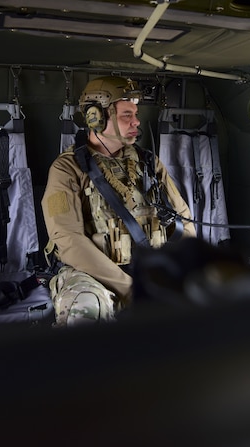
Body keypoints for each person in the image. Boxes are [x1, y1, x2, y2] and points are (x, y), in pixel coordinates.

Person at [41, 76, 196, 326]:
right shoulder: (67, 169)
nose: (137, 122)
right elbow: (68, 239)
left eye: (136, 114)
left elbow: (185, 221)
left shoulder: (150, 163)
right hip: (94, 274)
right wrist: (131, 289)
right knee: (85, 306)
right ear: (95, 117)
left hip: (151, 270)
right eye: (126, 115)